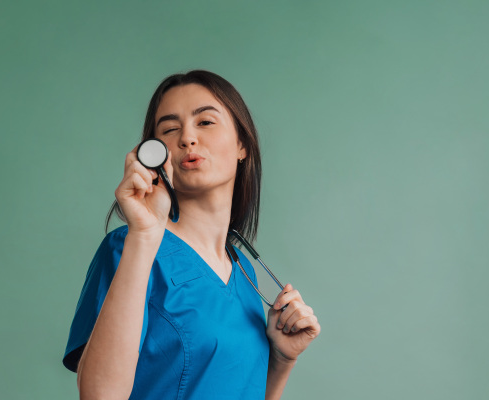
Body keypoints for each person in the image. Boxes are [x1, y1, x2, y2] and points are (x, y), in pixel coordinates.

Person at [62, 70, 321, 399]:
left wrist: (282, 361)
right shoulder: (129, 248)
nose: (187, 138)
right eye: (170, 129)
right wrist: (144, 234)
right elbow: (99, 395)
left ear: (242, 144)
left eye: (206, 122)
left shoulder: (244, 270)